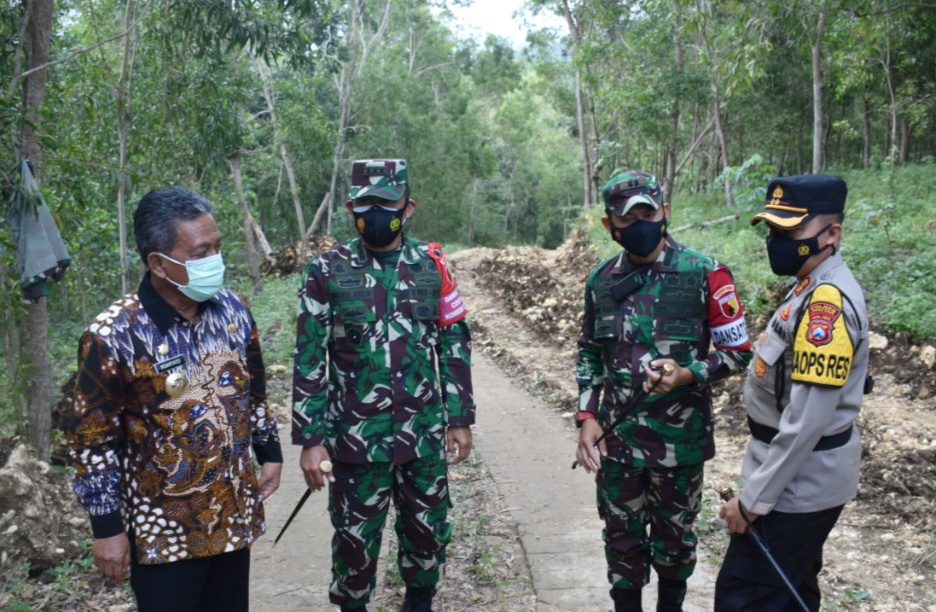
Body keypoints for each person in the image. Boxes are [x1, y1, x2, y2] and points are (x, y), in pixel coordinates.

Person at [67, 187, 283, 612]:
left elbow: (253, 389)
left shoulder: (233, 311)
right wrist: (106, 527)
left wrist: (269, 448)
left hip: (232, 517)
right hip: (162, 534)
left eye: (218, 247)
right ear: (159, 263)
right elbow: (91, 442)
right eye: (201, 251)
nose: (215, 261)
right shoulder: (113, 335)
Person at [292, 158, 474, 612]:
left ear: (407, 207)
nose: (375, 212)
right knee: (355, 550)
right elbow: (310, 358)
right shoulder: (326, 270)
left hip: (423, 437)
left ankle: (420, 603)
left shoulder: (432, 267)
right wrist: (310, 440)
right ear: (352, 206)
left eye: (386, 203)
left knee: (428, 538)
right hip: (356, 444)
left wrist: (460, 418)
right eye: (365, 203)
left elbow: (453, 342)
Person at [575, 170, 753, 612]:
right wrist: (587, 417)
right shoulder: (600, 281)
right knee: (621, 543)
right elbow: (589, 354)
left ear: (665, 213)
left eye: (648, 213)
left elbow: (738, 352)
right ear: (609, 225)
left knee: (675, 545)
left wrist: (690, 373)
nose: (639, 223)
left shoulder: (706, 273)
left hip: (680, 444)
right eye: (627, 217)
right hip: (617, 444)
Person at [715, 174, 870, 611]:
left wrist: (750, 502)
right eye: (773, 229)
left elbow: (806, 422)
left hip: (796, 487)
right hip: (794, 477)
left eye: (790, 230)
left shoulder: (828, 304)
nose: (776, 241)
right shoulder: (808, 285)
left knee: (745, 598)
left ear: (832, 233)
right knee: (790, 593)